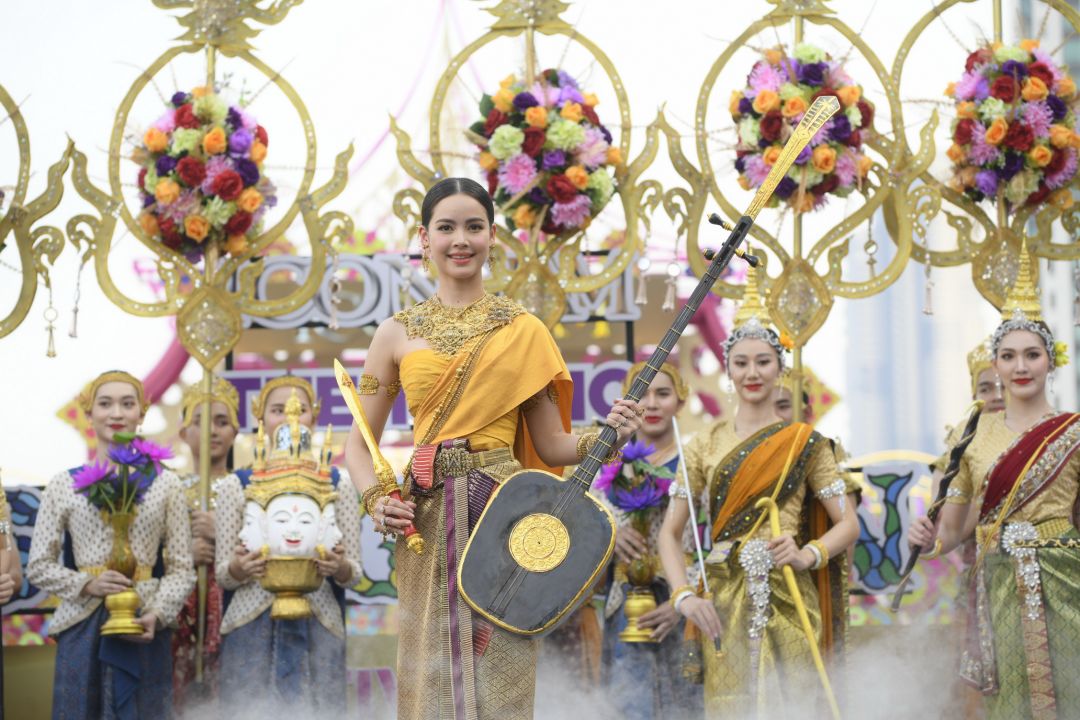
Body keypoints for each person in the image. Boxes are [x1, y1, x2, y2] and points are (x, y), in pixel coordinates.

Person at [343, 177, 643, 720]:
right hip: (425, 519)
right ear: (424, 237)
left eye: (474, 227)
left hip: (504, 514)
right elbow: (358, 446)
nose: (461, 239)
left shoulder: (524, 331)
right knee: (427, 670)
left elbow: (551, 443)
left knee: (501, 661)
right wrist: (376, 498)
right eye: (447, 227)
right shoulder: (394, 333)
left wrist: (608, 437)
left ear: (492, 236)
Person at [656, 268, 858, 718]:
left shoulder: (806, 442)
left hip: (788, 593)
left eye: (763, 361)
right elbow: (671, 534)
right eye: (742, 362)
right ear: (727, 369)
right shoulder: (703, 444)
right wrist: (684, 596)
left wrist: (808, 554)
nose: (752, 373)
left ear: (780, 368)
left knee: (795, 706)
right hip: (723, 598)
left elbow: (848, 524)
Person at [908, 245, 1080, 718]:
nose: (1020, 367)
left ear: (1051, 361)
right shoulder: (974, 435)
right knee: (1010, 700)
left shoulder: (1074, 432)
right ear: (996, 365)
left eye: (1031, 355)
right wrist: (927, 540)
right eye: (1009, 356)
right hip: (999, 584)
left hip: (1068, 583)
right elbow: (955, 531)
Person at [27, 370, 195, 719]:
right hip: (83, 623)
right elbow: (38, 566)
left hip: (143, 622)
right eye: (105, 404)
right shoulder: (63, 484)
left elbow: (181, 569)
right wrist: (87, 583)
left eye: (127, 404)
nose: (116, 413)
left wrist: (157, 614)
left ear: (141, 413)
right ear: (89, 414)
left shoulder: (167, 484)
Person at [215, 375, 361, 713]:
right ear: (260, 418)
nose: (289, 418)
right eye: (278, 410)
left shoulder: (339, 484)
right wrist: (239, 567)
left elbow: (353, 573)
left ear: (314, 418)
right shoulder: (234, 486)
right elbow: (223, 574)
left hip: (319, 618)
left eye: (301, 410)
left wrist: (337, 567)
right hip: (250, 620)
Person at [596, 361, 704, 720]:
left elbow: (715, 546)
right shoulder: (610, 463)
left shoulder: (695, 465)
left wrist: (684, 600)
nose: (653, 403)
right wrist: (609, 535)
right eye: (642, 393)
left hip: (680, 599)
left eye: (663, 393)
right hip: (622, 602)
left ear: (681, 401)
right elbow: (581, 528)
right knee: (627, 704)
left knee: (684, 703)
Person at [171, 377, 240, 711]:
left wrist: (223, 532)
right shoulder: (169, 487)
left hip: (229, 599)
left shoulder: (246, 487)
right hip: (181, 603)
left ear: (235, 432)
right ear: (184, 433)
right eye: (200, 421)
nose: (213, 430)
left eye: (222, 422)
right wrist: (184, 551)